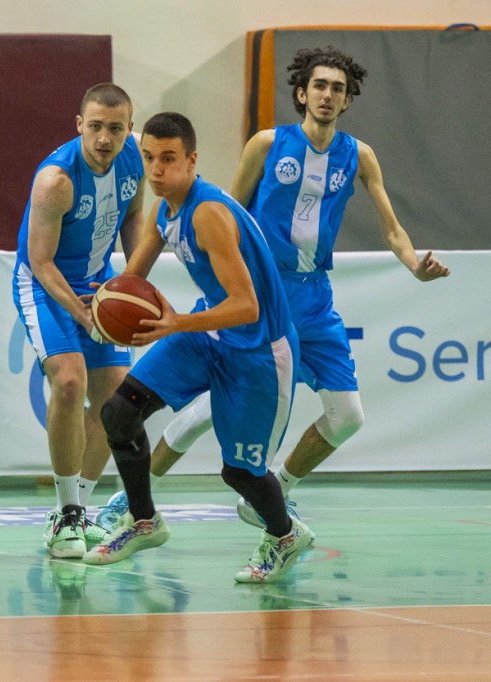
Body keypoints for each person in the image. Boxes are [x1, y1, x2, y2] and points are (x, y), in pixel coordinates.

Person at [95, 47, 450, 536]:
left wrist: (414, 264)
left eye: (338, 89)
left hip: (314, 299)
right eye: (319, 86)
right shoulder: (266, 144)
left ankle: (279, 489)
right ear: (302, 93)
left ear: (347, 101)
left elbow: (390, 229)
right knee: (200, 415)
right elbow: (230, 209)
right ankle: (128, 501)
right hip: (256, 292)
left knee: (348, 417)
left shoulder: (360, 155)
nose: (328, 95)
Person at [83, 111, 311, 583]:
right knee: (119, 413)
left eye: (168, 159)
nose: (156, 170)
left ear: (192, 161)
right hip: (207, 336)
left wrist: (175, 323)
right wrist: (99, 305)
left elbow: (247, 307)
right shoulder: (163, 208)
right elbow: (131, 280)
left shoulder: (208, 213)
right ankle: (143, 520)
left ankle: (285, 535)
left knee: (241, 475)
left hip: (258, 350)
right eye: (148, 158)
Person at [12, 83, 145, 559]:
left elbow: (133, 220)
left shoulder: (135, 162)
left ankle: (79, 510)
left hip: (99, 283)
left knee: (118, 401)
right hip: (44, 285)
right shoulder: (56, 180)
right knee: (69, 382)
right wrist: (84, 314)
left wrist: (133, 283)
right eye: (95, 127)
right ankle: (65, 514)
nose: (104, 138)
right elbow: (41, 262)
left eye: (115, 128)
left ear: (130, 128)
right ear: (79, 125)